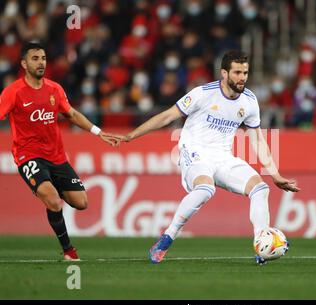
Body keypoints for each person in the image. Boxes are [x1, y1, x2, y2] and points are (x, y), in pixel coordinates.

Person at [110, 51, 300, 264]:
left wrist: (275, 174)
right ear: (224, 73)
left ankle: (261, 245)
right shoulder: (202, 93)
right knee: (205, 189)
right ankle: (166, 239)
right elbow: (167, 116)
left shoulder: (249, 101)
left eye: (245, 72)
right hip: (195, 152)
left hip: (223, 157)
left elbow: (257, 139)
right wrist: (131, 135)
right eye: (237, 72)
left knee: (260, 188)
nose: (242, 77)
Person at [0, 42, 119, 260]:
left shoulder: (54, 89)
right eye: (35, 59)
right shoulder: (13, 92)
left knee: (81, 202)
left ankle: (50, 185)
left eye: (43, 58)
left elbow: (72, 114)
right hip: (28, 156)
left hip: (56, 157)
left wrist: (98, 132)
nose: (41, 63)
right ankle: (69, 252)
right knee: (54, 200)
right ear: (24, 64)